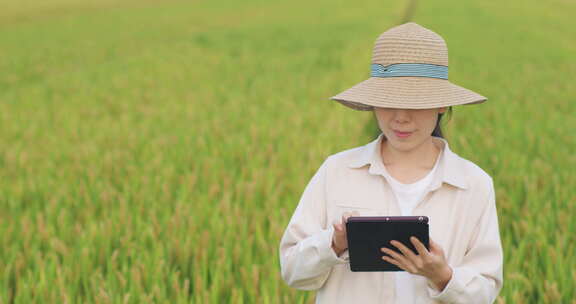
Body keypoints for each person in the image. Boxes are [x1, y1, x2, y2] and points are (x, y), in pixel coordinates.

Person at [278, 22, 504, 304]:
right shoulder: (336, 172)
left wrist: (443, 276)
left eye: (415, 102)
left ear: (442, 105)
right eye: (388, 102)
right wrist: (334, 245)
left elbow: (486, 292)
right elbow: (291, 271)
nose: (401, 118)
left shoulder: (473, 185)